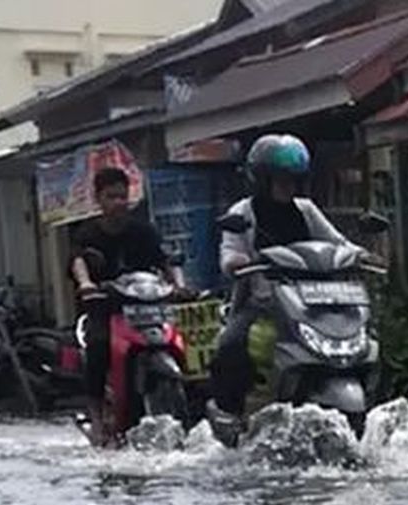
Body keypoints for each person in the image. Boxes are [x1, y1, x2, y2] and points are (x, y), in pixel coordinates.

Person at [206, 133, 353, 443]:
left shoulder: (307, 210)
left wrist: (360, 254)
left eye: (292, 179)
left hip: (314, 303)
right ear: (261, 179)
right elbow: (229, 253)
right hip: (262, 305)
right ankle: (230, 415)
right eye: (279, 178)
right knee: (230, 347)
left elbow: (337, 241)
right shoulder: (242, 213)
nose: (287, 185)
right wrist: (237, 261)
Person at [68, 167, 186, 445]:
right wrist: (86, 284)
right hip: (107, 310)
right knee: (97, 347)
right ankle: (97, 419)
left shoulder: (143, 231)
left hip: (149, 309)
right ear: (99, 199)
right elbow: (77, 261)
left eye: (123, 196)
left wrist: (179, 285)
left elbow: (166, 261)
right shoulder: (88, 233)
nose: (118, 202)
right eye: (111, 197)